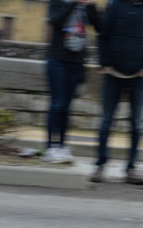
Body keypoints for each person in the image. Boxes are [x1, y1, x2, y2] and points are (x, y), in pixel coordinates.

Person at [91, 0, 143, 184]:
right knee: (106, 123)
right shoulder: (115, 4)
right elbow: (103, 34)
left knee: (137, 125)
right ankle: (100, 165)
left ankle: (131, 168)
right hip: (113, 73)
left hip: (139, 76)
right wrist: (104, 62)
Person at [43, 0, 101, 164]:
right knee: (57, 104)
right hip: (57, 60)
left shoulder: (85, 7)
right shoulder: (59, 2)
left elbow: (99, 26)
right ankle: (51, 147)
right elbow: (55, 20)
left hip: (76, 62)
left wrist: (91, 6)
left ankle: (62, 145)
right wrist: (74, 3)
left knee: (67, 107)